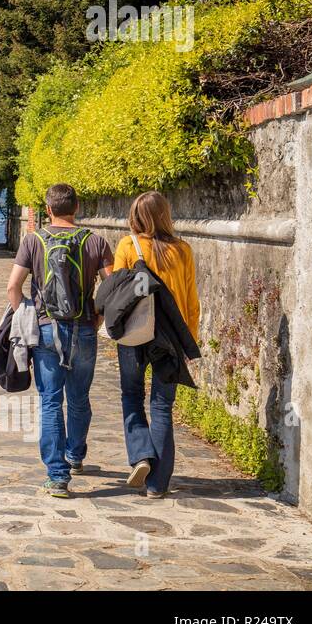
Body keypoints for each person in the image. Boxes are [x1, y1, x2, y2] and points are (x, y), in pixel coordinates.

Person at [6, 183, 113, 498]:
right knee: (79, 398)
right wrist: (98, 319)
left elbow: (13, 287)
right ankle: (75, 456)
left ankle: (57, 477)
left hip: (47, 329)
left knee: (51, 400)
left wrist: (26, 315)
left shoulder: (33, 240)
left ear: (47, 209)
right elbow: (112, 290)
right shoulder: (96, 242)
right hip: (84, 329)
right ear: (77, 208)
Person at [112, 191, 200, 499]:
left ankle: (141, 456)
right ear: (165, 215)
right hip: (170, 339)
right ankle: (158, 485)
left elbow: (117, 294)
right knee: (162, 406)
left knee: (132, 396)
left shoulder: (128, 245)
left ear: (136, 216)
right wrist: (190, 343)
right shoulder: (183, 250)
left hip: (135, 334)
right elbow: (191, 302)